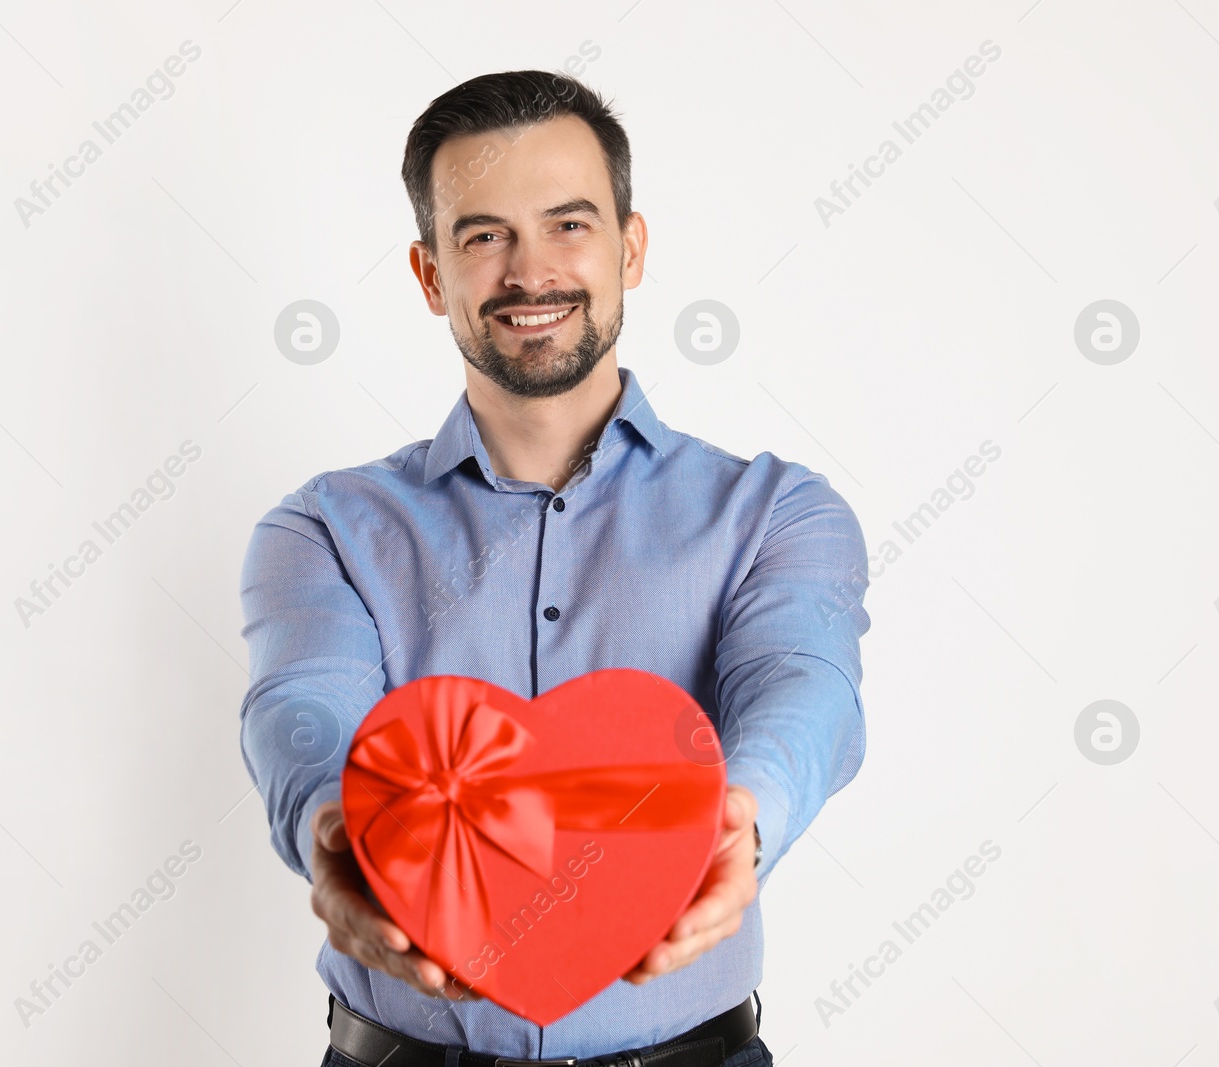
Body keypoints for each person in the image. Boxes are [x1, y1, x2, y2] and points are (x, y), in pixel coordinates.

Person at [240, 69, 871, 1067]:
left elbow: (807, 685)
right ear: (429, 274)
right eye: (484, 235)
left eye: (567, 226)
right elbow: (301, 709)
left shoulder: (775, 513)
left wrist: (739, 816)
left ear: (630, 247)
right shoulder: (323, 526)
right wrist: (332, 828)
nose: (529, 272)